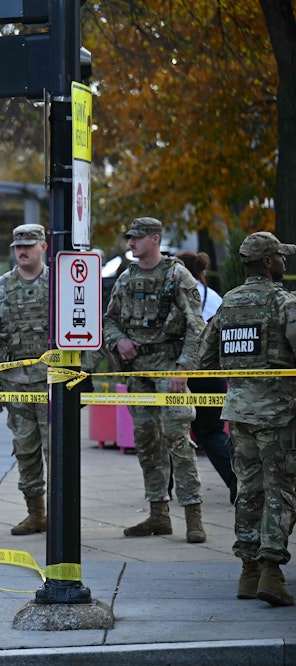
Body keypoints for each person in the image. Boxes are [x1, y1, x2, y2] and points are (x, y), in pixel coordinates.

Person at [196, 231, 296, 606]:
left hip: (238, 417)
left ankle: (247, 573)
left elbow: (204, 359)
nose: (285, 263)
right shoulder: (284, 303)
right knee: (281, 492)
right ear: (268, 263)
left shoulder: (228, 305)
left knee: (248, 492)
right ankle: (271, 570)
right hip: (280, 418)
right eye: (281, 258)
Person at [103, 217, 207, 543]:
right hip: (138, 373)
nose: (131, 243)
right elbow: (110, 322)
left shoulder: (178, 276)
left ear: (155, 239)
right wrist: (119, 340)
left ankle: (193, 515)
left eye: (137, 238)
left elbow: (196, 327)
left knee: (178, 438)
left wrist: (183, 369)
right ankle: (158, 514)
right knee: (147, 441)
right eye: (129, 238)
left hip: (168, 369)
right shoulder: (125, 279)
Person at [0, 224, 52, 535]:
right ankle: (36, 513)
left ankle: (60, 515)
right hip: (15, 385)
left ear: (43, 246)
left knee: (57, 452)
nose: (22, 251)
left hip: (52, 385)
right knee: (25, 450)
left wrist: (83, 373)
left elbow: (79, 330)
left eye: (29, 245)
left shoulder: (58, 286)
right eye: (18, 246)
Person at [176, 250, 236, 502]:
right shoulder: (214, 297)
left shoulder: (184, 295)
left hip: (187, 371)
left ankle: (164, 493)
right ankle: (236, 482)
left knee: (174, 432)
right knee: (209, 433)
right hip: (212, 373)